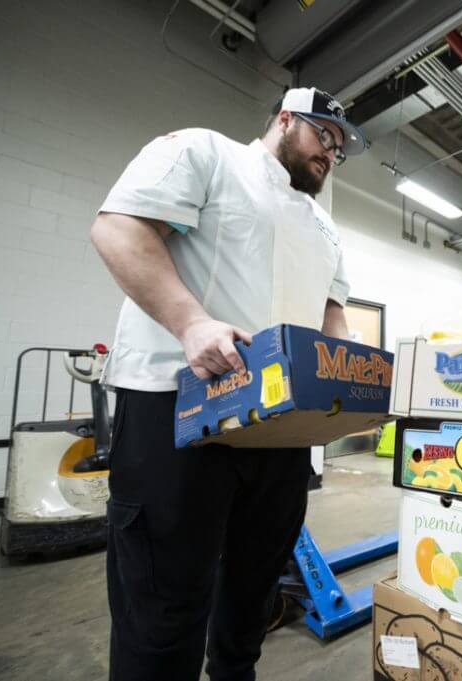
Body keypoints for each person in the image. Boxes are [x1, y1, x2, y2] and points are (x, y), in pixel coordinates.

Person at [90, 86, 366, 681]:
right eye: (325, 135)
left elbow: (331, 316)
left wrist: (348, 375)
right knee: (165, 608)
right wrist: (191, 323)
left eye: (339, 149)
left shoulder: (325, 228)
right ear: (286, 118)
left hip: (280, 431)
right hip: (181, 413)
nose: (330, 154)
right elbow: (118, 228)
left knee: (251, 595)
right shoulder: (206, 154)